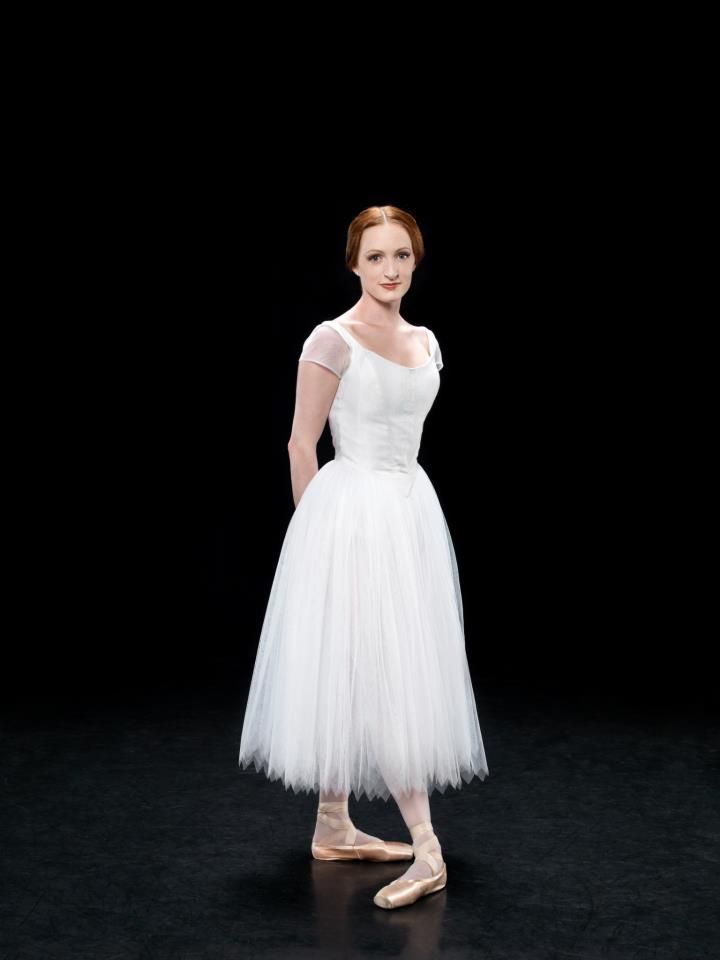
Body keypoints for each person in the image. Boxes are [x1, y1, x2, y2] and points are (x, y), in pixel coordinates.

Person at [238, 204, 489, 909]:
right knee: (375, 666)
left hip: (409, 511)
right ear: (353, 263)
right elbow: (301, 443)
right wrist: (315, 538)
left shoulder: (426, 341)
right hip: (352, 513)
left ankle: (333, 822)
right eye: (375, 256)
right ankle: (427, 847)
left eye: (401, 255)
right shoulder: (332, 339)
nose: (389, 269)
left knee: (385, 660)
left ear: (416, 260)